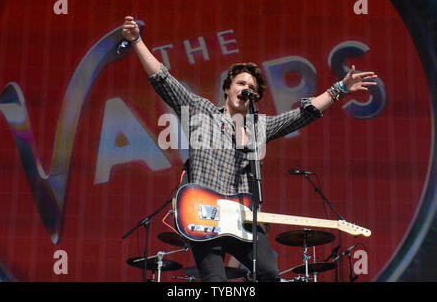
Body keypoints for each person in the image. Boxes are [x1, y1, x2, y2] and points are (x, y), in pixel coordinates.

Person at [121, 16, 377, 282]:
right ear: (228, 88)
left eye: (252, 87)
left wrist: (340, 89)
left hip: (242, 219)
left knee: (268, 273)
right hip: (203, 217)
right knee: (215, 282)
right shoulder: (202, 111)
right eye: (241, 84)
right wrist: (137, 40)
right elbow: (164, 80)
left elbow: (303, 114)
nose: (246, 89)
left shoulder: (259, 126)